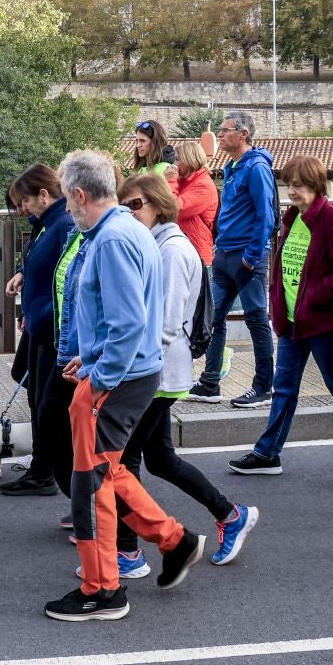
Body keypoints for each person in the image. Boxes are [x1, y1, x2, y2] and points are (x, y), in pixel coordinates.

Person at [47, 150, 203, 622]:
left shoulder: (110, 240)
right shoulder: (128, 230)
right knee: (107, 473)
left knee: (89, 483)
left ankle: (103, 590)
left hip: (119, 379)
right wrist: (92, 358)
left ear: (78, 194)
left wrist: (99, 377)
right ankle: (175, 541)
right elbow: (124, 319)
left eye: (66, 199)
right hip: (129, 374)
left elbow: (129, 322)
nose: (67, 209)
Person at [112, 172, 256, 567]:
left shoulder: (171, 249)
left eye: (136, 205)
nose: (129, 213)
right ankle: (230, 514)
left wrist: (124, 368)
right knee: (158, 459)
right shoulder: (156, 243)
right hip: (156, 371)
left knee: (122, 462)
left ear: (159, 203)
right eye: (123, 207)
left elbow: (166, 321)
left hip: (156, 373)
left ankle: (127, 550)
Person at [226, 155, 333, 476]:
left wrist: (312, 298)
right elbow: (284, 269)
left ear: (315, 185)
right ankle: (267, 453)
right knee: (284, 387)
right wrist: (279, 306)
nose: (292, 191)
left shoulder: (331, 220)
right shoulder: (292, 219)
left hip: (324, 321)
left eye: (299, 185)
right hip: (293, 322)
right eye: (290, 185)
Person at [189, 112, 275, 408]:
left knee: (256, 320)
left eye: (225, 131)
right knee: (213, 318)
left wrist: (251, 258)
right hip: (225, 255)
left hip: (246, 258)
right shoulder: (232, 167)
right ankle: (210, 383)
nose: (220, 135)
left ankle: (263, 387)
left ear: (243, 134)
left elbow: (266, 216)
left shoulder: (257, 168)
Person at [0, 166, 73, 498]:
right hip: (40, 325)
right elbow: (39, 263)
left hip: (51, 330)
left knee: (47, 405)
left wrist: (40, 313)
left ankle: (52, 474)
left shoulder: (64, 224)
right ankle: (43, 468)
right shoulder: (46, 224)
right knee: (34, 395)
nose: (21, 210)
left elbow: (67, 277)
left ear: (44, 195)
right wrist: (21, 273)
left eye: (24, 202)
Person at [173, 142, 218, 266]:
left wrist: (171, 181)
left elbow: (175, 209)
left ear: (189, 160)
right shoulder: (187, 182)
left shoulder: (203, 185)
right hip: (188, 250)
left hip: (198, 253)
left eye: (178, 159)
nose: (175, 164)